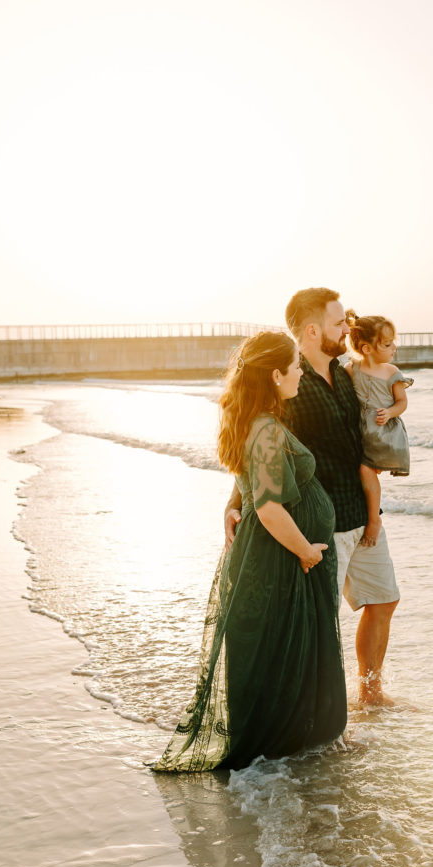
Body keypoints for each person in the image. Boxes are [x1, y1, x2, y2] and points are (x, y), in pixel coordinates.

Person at [152, 331, 346, 772]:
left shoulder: (254, 419)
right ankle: (279, 756)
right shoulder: (267, 430)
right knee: (279, 651)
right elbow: (273, 507)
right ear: (276, 375)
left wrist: (232, 502)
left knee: (274, 649)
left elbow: (248, 481)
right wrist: (307, 552)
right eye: (295, 367)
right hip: (282, 556)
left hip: (275, 552)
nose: (300, 373)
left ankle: (285, 745)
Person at [226, 289, 400, 706]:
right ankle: (323, 711)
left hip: (363, 511)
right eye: (339, 323)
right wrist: (235, 501)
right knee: (322, 622)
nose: (347, 329)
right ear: (311, 329)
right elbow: (259, 449)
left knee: (384, 599)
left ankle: (370, 692)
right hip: (321, 524)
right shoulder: (289, 379)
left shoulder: (346, 374)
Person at [344, 310, 414, 548]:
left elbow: (402, 403)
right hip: (362, 433)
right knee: (362, 470)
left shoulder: (392, 372)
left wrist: (390, 412)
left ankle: (374, 520)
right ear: (366, 349)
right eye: (387, 344)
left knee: (366, 470)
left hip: (384, 432)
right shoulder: (351, 370)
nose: (394, 347)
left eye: (393, 342)